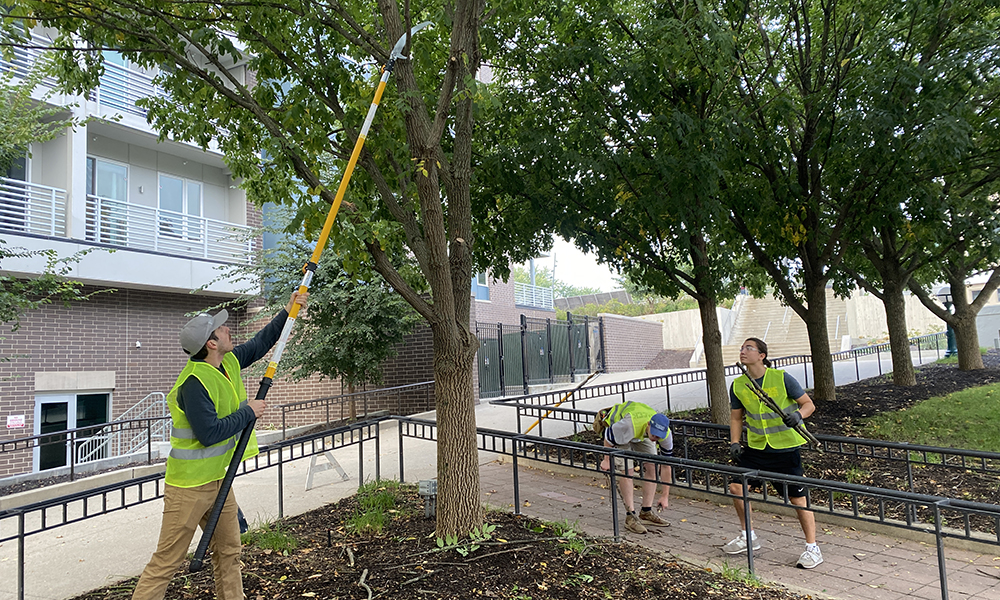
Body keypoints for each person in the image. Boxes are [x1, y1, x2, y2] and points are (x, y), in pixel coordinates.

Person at [131, 291, 308, 600]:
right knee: (167, 563)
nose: (228, 330)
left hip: (217, 481)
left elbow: (261, 342)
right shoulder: (193, 383)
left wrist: (288, 309)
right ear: (211, 344)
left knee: (229, 551)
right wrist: (248, 412)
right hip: (187, 488)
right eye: (221, 329)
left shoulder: (228, 364)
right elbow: (209, 433)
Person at [725, 337, 822, 569]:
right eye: (741, 348)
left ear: (762, 356)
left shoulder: (782, 378)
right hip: (757, 448)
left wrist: (798, 415)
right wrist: (735, 442)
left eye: (749, 348)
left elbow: (809, 404)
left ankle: (812, 548)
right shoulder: (738, 384)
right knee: (737, 486)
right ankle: (748, 536)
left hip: (786, 448)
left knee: (798, 498)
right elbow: (736, 417)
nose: (743, 351)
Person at [594, 401, 673, 534]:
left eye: (658, 437)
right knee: (627, 470)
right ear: (649, 424)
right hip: (621, 431)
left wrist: (665, 495)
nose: (656, 439)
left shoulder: (665, 435)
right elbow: (609, 437)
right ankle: (630, 517)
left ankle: (646, 512)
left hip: (641, 433)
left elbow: (666, 465)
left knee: (653, 466)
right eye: (654, 435)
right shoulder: (628, 425)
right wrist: (606, 460)